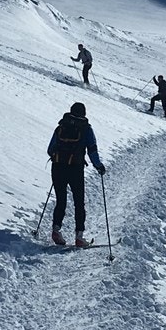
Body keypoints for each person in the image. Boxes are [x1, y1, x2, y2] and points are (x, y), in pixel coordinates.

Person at [47, 101, 105, 246]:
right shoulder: (86, 129)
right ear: (84, 113)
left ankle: (56, 230)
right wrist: (98, 166)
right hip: (75, 169)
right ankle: (79, 237)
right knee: (79, 202)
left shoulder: (61, 126)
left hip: (58, 167)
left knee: (61, 200)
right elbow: (92, 150)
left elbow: (50, 149)